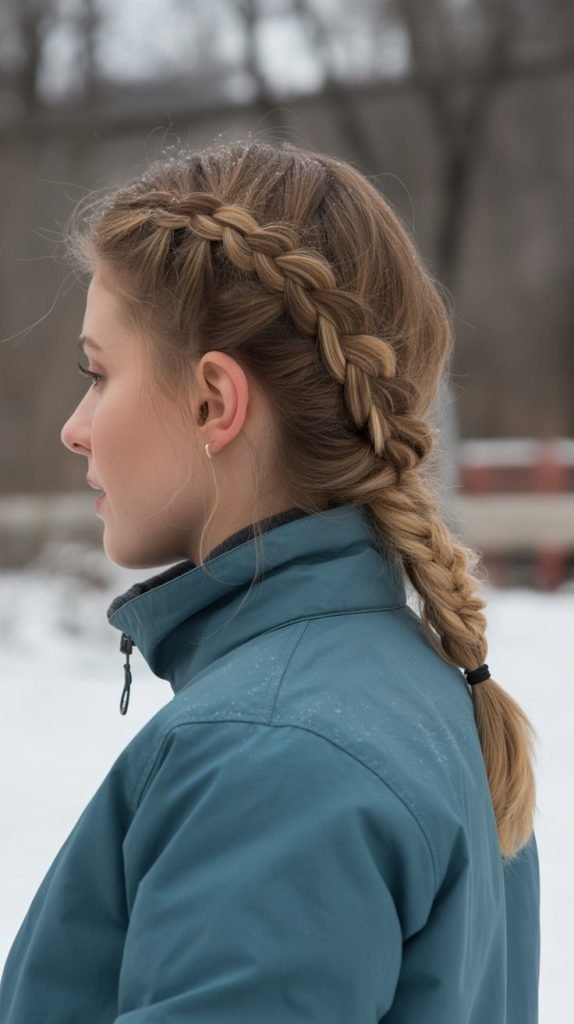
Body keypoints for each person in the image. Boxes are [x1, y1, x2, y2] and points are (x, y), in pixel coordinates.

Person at [0, 139, 540, 1023]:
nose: (74, 426)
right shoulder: (405, 692)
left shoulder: (275, 752)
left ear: (215, 400)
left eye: (99, 374)